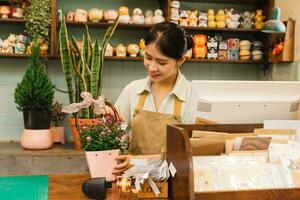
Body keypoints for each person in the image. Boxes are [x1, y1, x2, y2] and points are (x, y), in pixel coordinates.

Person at [112, 22, 194, 175]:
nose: (152, 67)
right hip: (133, 180)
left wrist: (140, 161)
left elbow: (196, 150)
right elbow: (114, 136)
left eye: (161, 62)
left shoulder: (193, 95)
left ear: (181, 60)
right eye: (148, 57)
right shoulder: (132, 90)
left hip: (177, 183)